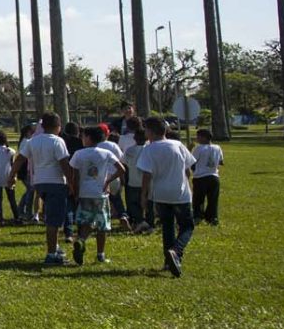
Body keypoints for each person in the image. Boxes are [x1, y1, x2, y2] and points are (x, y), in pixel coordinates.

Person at [138, 116, 197, 277]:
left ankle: (168, 261)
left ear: (150, 131)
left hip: (160, 194)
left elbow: (146, 175)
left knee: (167, 227)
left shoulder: (148, 149)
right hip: (180, 192)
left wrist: (144, 195)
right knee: (187, 226)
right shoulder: (178, 145)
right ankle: (176, 252)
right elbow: (188, 170)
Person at [11, 112, 71, 265]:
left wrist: (12, 175)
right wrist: (72, 182)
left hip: (39, 182)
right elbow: (64, 164)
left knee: (50, 215)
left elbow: (20, 158)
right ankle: (51, 255)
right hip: (56, 182)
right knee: (54, 220)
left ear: (42, 126)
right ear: (58, 126)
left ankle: (55, 246)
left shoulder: (32, 141)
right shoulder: (58, 141)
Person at [69, 127, 124, 265]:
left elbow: (75, 176)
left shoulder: (78, 154)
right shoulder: (106, 153)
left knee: (86, 221)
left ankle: (81, 241)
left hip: (84, 193)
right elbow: (121, 169)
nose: (82, 139)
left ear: (88, 138)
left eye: (83, 136)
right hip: (101, 193)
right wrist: (108, 181)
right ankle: (100, 254)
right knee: (102, 225)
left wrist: (75, 191)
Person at [191, 128, 223, 226]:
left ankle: (198, 216)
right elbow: (221, 161)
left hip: (200, 177)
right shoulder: (217, 147)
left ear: (204, 138)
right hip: (214, 176)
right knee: (213, 199)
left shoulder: (199, 148)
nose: (197, 139)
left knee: (198, 199)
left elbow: (192, 162)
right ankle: (212, 217)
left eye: (198, 137)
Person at [0, 129, 19, 225]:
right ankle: (16, 217)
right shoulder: (11, 151)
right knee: (12, 198)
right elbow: (13, 164)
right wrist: (14, 176)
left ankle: (0, 219)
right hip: (8, 175)